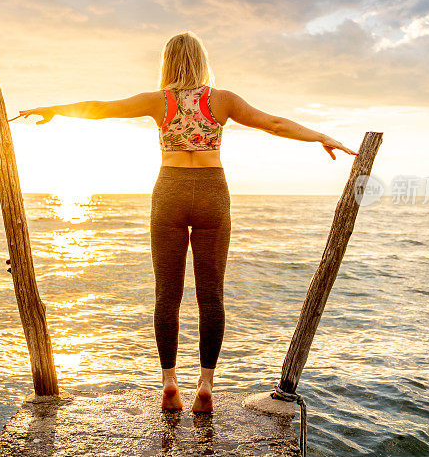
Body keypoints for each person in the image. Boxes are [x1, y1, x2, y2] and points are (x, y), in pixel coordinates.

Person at [19, 31, 357, 413]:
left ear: (167, 62)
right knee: (211, 296)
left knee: (168, 294)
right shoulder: (222, 100)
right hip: (212, 191)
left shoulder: (158, 101)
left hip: (169, 192)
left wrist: (53, 108)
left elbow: (101, 108)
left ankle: (169, 382)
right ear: (201, 60)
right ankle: (206, 385)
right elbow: (274, 124)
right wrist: (321, 137)